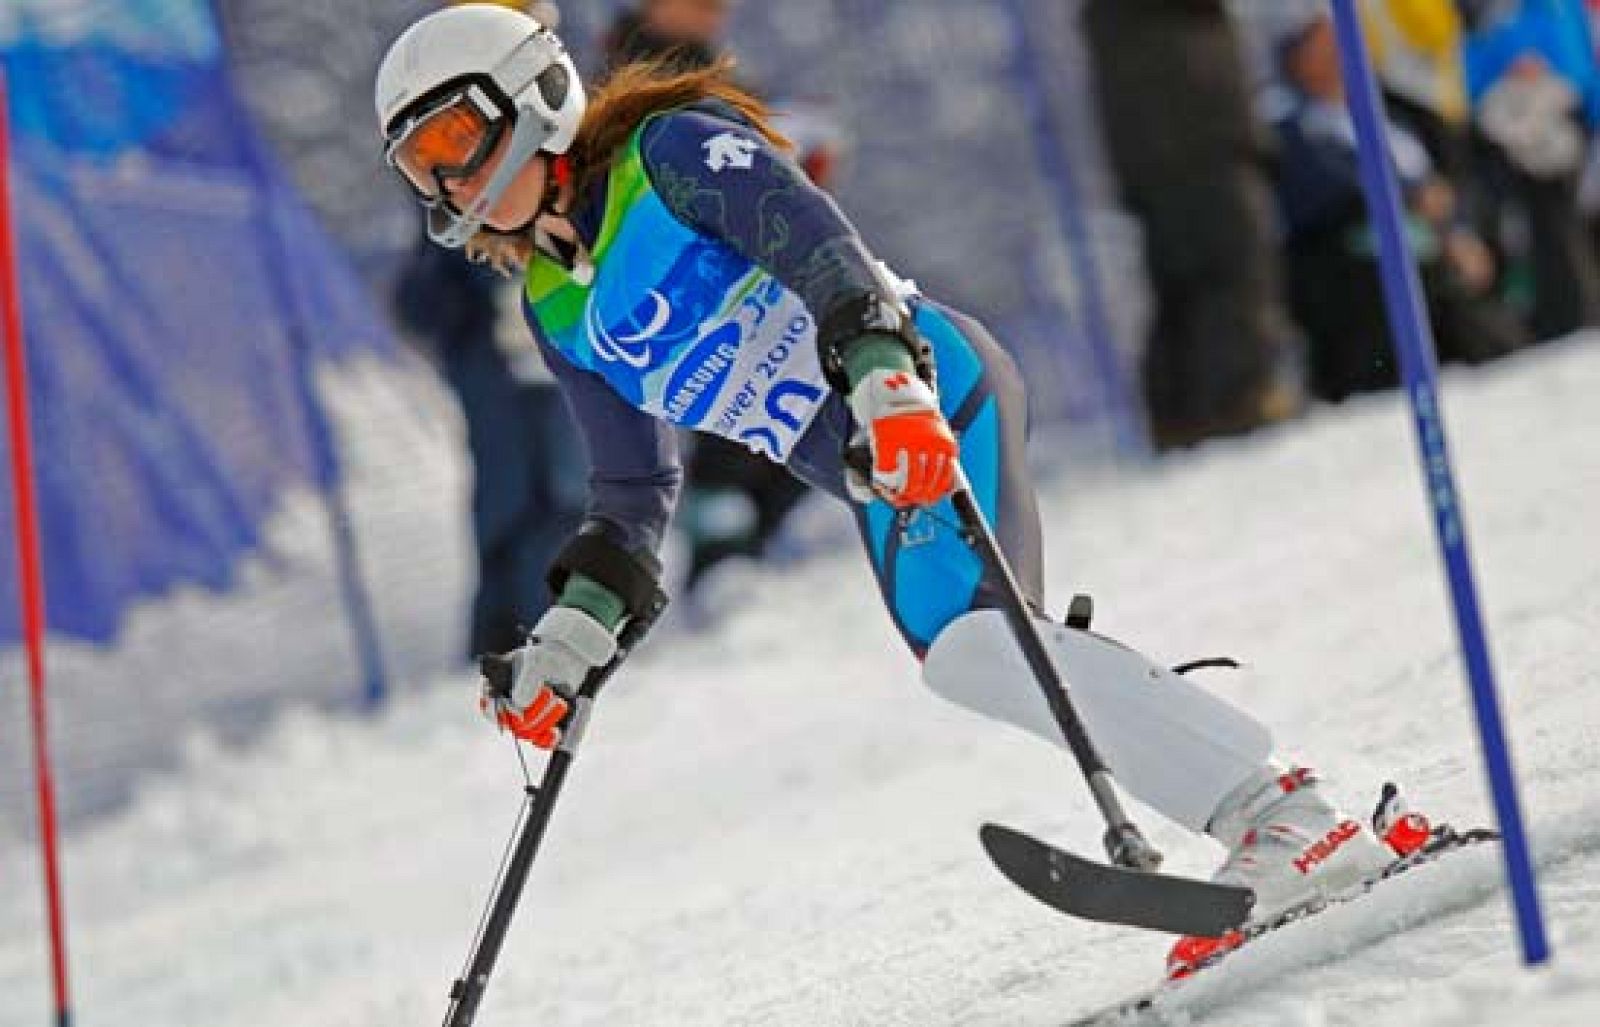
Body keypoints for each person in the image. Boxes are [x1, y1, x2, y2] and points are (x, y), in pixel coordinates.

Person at [373, 4, 1431, 974]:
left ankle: (1284, 813)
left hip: (925, 391)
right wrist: (572, 634)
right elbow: (633, 487)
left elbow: (828, 254)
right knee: (991, 654)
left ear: (536, 96)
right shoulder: (558, 305)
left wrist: (886, 385)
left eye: (452, 142)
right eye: (419, 169)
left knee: (978, 647)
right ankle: (1294, 812)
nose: (447, 184)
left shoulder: (671, 150)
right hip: (869, 466)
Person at [600, 0, 845, 596]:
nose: (715, 10)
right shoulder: (623, 82)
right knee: (719, 432)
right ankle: (718, 568)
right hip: (677, 291)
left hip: (754, 277)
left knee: (795, 417)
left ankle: (753, 552)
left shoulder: (722, 73)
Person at [1269, 13, 1529, 400]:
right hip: (1357, 265)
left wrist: (1454, 228)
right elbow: (1330, 195)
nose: (1335, 54)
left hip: (1436, 245)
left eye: (1337, 43)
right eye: (1320, 47)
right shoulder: (1293, 128)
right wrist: (1410, 200)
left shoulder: (1392, 111)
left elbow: (1444, 178)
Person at [1081, 0, 1304, 451]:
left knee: (1186, 278)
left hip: (1164, 141)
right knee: (1230, 265)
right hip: (1194, 134)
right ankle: (1236, 399)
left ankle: (1185, 412)